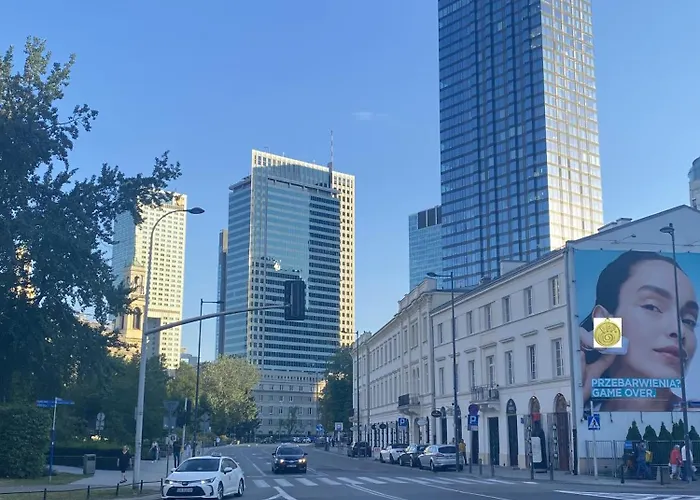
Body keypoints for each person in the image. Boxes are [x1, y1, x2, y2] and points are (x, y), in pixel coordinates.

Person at [579, 251, 698, 411]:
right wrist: (576, 400)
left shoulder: (693, 414)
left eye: (689, 320)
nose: (679, 330)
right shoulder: (586, 407)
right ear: (604, 320)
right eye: (652, 307)